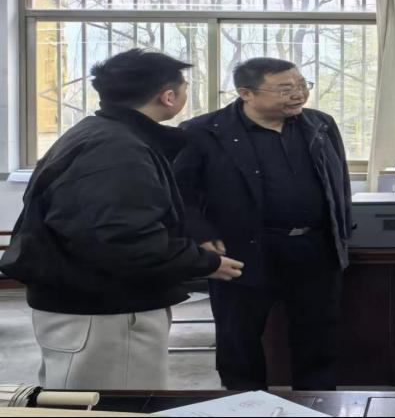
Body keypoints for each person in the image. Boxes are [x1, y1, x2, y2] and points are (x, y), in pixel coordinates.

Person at [0, 49, 244, 390]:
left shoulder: (101, 132)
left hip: (91, 306)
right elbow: (121, 239)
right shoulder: (117, 149)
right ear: (168, 96)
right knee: (112, 404)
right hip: (105, 313)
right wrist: (203, 262)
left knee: (78, 401)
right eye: (185, 87)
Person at [174, 57, 352, 390]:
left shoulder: (321, 124)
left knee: (318, 338)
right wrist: (201, 234)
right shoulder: (203, 131)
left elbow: (337, 181)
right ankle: (244, 403)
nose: (298, 95)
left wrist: (341, 231)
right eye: (285, 89)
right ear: (246, 93)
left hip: (314, 249)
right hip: (241, 252)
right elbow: (179, 193)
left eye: (302, 85)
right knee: (238, 340)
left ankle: (317, 403)